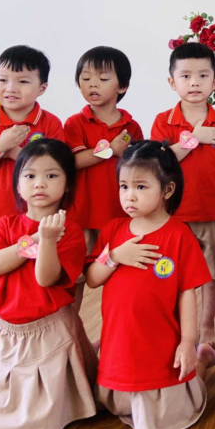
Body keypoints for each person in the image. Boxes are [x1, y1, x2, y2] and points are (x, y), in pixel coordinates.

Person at [86, 142, 211, 429]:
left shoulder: (180, 236)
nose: (129, 195)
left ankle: (201, 358)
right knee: (116, 399)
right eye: (124, 186)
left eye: (140, 187)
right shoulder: (114, 230)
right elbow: (91, 279)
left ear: (167, 190)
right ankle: (202, 357)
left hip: (160, 342)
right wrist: (114, 256)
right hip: (120, 341)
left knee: (173, 400)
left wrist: (188, 341)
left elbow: (187, 295)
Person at [0, 139, 97, 429]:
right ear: (18, 186)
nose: (39, 183)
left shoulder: (70, 232)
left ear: (68, 185)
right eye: (30, 176)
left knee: (49, 407)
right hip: (9, 329)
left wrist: (48, 240)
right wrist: (30, 241)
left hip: (51, 326)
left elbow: (46, 279)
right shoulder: (4, 226)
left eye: (51, 175)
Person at [0, 45, 65, 372]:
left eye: (22, 81)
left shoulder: (50, 123)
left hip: (36, 222)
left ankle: (40, 350)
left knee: (36, 287)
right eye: (2, 79)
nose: (10, 88)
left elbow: (55, 168)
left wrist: (15, 151)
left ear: (42, 88)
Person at [151, 42, 215, 362]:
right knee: (173, 273)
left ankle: (206, 324)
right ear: (172, 82)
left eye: (203, 76)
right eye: (186, 76)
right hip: (174, 213)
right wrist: (194, 139)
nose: (194, 83)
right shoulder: (164, 121)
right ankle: (176, 325)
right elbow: (160, 161)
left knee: (213, 273)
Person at [64, 46, 143, 310]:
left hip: (119, 216)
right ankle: (71, 332)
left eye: (103, 78)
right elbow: (73, 161)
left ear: (123, 86)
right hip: (81, 216)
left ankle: (116, 330)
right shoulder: (74, 123)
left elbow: (139, 169)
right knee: (74, 279)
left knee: (119, 278)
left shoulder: (131, 127)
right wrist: (110, 149)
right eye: (85, 78)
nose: (92, 84)